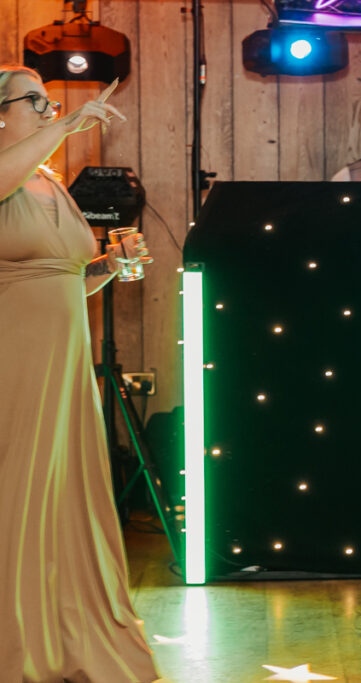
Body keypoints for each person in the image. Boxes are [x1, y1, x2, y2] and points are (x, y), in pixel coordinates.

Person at [0, 65, 160, 683]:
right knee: (18, 489)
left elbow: (65, 281)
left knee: (64, 496)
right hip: (15, 362)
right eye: (34, 100)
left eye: (51, 101)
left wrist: (110, 266)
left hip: (63, 366)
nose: (48, 108)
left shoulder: (48, 180)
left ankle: (62, 629)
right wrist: (68, 123)